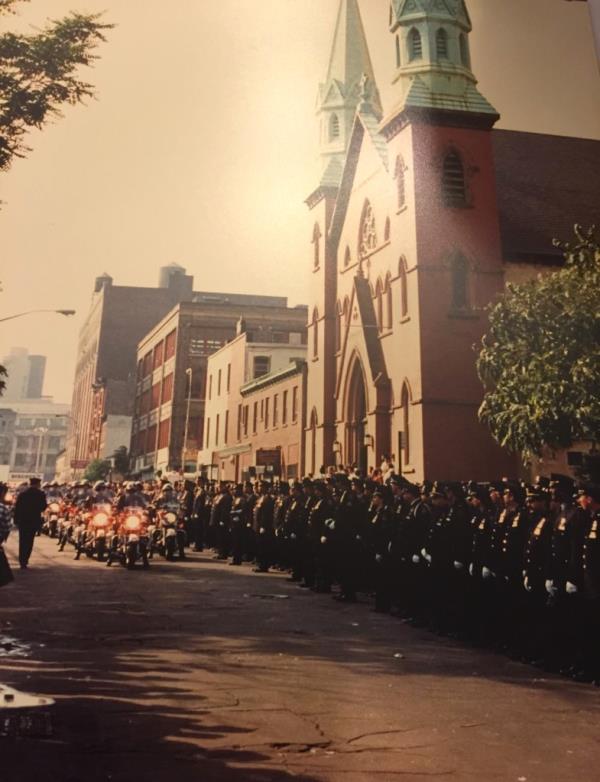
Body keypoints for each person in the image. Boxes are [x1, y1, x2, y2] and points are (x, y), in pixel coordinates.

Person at [13, 477, 47, 569]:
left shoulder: (22, 494)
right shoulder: (40, 494)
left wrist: (15, 520)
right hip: (34, 520)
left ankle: (22, 561)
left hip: (23, 521)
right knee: (30, 541)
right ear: (37, 484)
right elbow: (43, 507)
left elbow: (17, 508)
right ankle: (26, 560)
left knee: (22, 540)